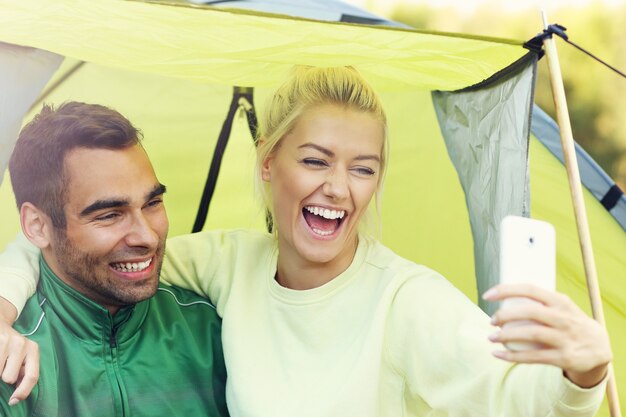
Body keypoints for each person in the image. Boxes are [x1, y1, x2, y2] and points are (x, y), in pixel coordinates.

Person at [0, 67, 612, 416]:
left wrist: (584, 373)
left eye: (364, 168)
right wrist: (2, 314)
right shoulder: (230, 264)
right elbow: (77, 253)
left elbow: (515, 398)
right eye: (316, 160)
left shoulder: (405, 299)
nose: (339, 189)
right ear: (268, 163)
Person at [0, 102, 228, 416]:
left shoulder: (215, 331)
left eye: (153, 202)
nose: (147, 236)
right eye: (110, 215)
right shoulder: (9, 354)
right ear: (38, 226)